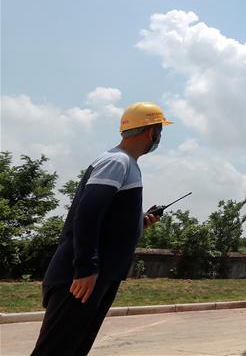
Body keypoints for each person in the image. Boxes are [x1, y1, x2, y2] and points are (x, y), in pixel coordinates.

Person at [31, 102, 172, 356]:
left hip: (98, 276)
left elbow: (105, 217)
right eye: (159, 131)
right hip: (81, 278)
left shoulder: (125, 163)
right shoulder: (117, 161)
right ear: (152, 132)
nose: (158, 137)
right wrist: (86, 266)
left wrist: (138, 222)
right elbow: (87, 213)